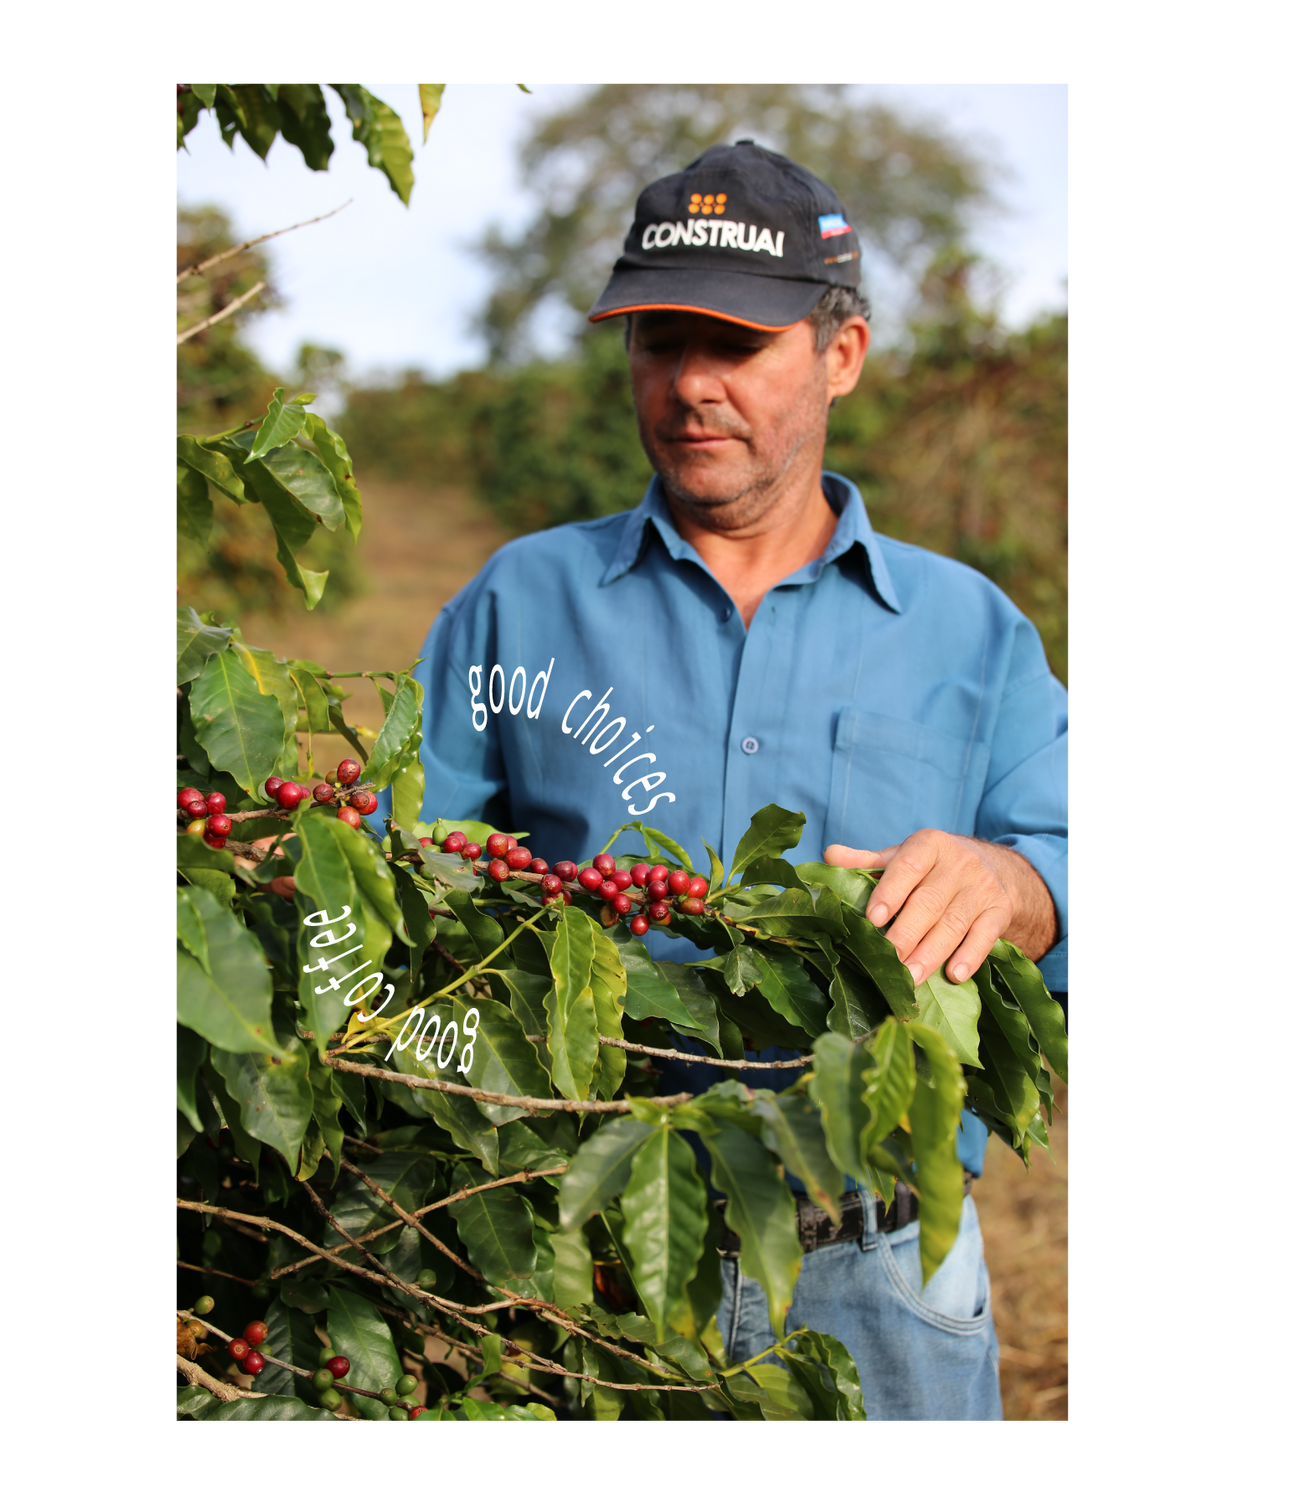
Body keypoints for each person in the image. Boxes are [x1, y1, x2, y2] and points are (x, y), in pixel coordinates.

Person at [409, 141, 1070, 1423]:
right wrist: (464, 1091)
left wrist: (1013, 880)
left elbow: (1063, 851)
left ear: (840, 355)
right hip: (585, 1261)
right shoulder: (518, 602)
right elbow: (389, 899)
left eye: (737, 344)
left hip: (879, 1273)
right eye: (661, 343)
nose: (691, 387)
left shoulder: (969, 631)